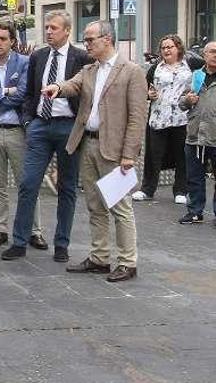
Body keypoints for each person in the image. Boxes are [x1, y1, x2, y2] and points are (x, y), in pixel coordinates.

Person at [41, 20, 147, 282]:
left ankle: (127, 262)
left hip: (114, 150)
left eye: (90, 40)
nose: (86, 44)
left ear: (107, 39)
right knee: (94, 205)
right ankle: (100, 258)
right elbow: (72, 85)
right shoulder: (89, 69)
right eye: (85, 40)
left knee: (120, 207)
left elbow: (137, 117)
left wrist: (129, 155)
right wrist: (57, 88)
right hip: (87, 144)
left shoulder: (131, 71)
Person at [2, 10, 92, 262]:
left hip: (68, 128)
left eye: (54, 28)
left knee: (67, 187)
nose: (48, 31)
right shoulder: (39, 56)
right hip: (40, 126)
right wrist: (29, 121)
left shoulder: (82, 58)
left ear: (67, 31)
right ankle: (20, 241)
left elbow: (87, 94)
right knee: (28, 183)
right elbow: (29, 93)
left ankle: (62, 244)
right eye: (47, 27)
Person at [0, 22, 45, 247]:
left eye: (3, 39)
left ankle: (34, 231)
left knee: (28, 184)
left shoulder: (24, 63)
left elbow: (22, 93)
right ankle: (0, 229)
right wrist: (4, 92)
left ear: (12, 41)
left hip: (18, 133)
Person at [132, 35, 194, 204]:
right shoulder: (155, 68)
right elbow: (144, 89)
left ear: (178, 48)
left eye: (170, 47)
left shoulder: (191, 65)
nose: (166, 50)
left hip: (182, 119)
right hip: (159, 118)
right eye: (164, 48)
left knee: (182, 155)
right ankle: (147, 189)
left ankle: (180, 190)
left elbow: (203, 78)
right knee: (153, 155)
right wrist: (148, 94)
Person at [178, 41, 216, 225]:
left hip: (215, 136)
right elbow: (181, 103)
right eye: (213, 52)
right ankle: (194, 211)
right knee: (194, 178)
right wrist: (187, 99)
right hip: (195, 136)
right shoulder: (195, 77)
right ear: (205, 54)